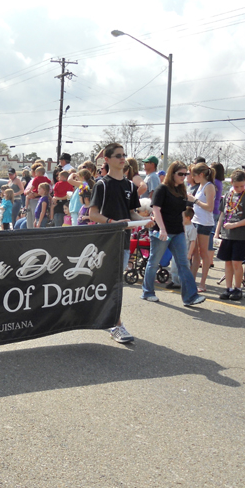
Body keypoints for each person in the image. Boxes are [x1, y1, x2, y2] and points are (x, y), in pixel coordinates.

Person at [89, 142, 154, 343]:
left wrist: (144, 220)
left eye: (123, 155)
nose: (122, 158)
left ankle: (109, 320)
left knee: (114, 283)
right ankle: (115, 324)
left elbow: (132, 213)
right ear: (107, 159)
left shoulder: (130, 186)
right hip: (105, 242)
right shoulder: (102, 185)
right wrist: (112, 222)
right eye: (118, 155)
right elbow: (93, 214)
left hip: (124, 241)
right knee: (112, 283)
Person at [141, 161, 205, 307]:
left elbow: (182, 212)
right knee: (154, 262)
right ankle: (147, 292)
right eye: (180, 174)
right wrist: (162, 229)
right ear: (172, 173)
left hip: (178, 232)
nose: (183, 176)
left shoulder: (181, 190)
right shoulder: (162, 189)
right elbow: (156, 209)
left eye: (185, 174)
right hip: (162, 232)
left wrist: (184, 228)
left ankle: (190, 297)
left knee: (183, 263)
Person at [215, 170, 245, 301]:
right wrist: (217, 232)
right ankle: (228, 288)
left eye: (242, 186)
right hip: (227, 235)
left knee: (236, 263)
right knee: (227, 262)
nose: (239, 189)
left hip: (241, 236)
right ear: (231, 183)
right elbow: (222, 215)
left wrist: (234, 225)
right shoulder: (228, 195)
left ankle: (238, 288)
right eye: (236, 186)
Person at [187, 162, 216, 292]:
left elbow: (210, 207)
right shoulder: (200, 186)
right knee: (195, 253)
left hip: (204, 223)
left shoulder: (209, 186)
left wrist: (195, 200)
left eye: (194, 175)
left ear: (201, 174)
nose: (193, 178)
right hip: (196, 221)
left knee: (203, 253)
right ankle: (191, 281)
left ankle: (202, 283)